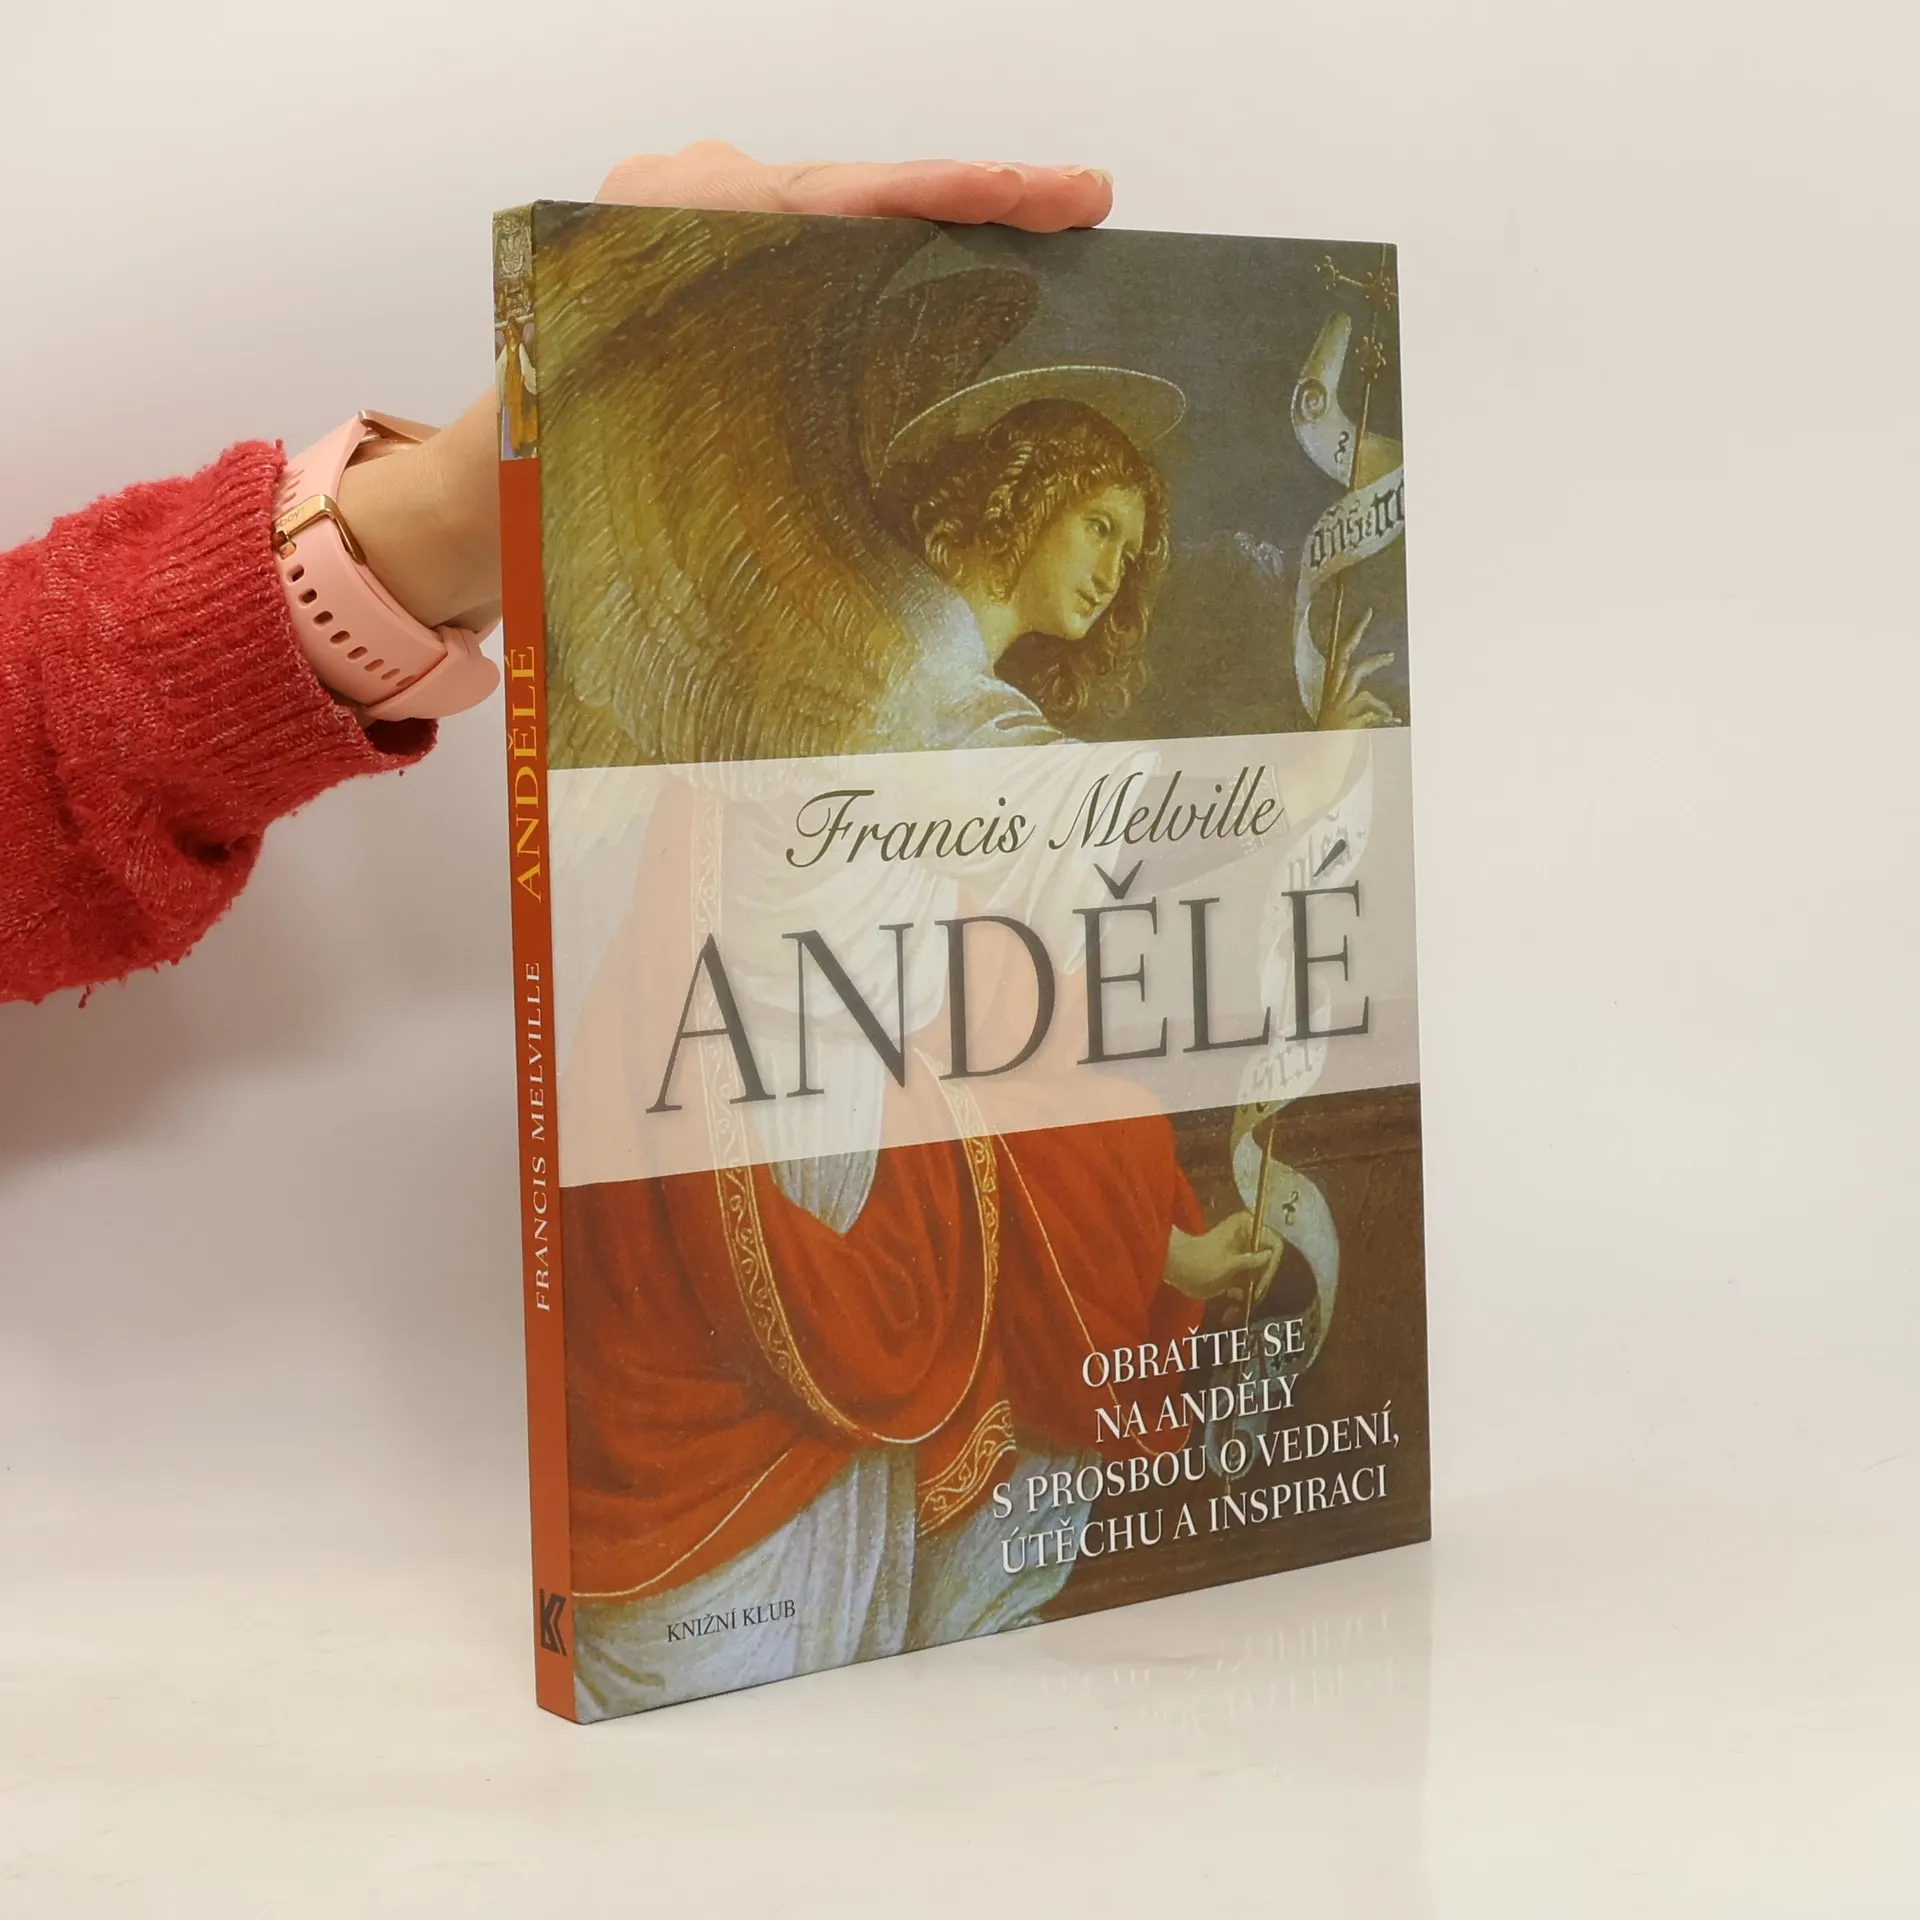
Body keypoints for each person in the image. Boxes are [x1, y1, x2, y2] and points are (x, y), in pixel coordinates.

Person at [0, 144, 1116, 1006]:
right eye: (1101, 524)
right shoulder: (913, 663)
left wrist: (451, 520)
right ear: (1021, 497)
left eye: (1132, 545)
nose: (1116, 570)